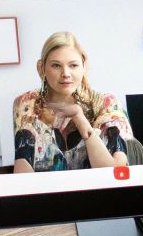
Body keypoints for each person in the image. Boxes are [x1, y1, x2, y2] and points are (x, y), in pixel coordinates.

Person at [9, 32, 136, 172]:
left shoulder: (106, 103)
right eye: (56, 66)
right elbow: (23, 176)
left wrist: (79, 118)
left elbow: (116, 171)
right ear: (41, 68)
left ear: (84, 67)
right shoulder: (28, 103)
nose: (66, 73)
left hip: (101, 192)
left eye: (73, 65)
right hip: (48, 192)